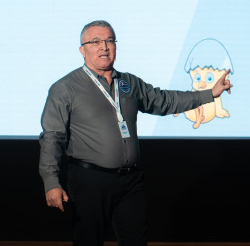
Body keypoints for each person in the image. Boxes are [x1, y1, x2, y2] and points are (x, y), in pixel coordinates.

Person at [39, 20, 232, 246]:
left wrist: (210, 93)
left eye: (110, 40)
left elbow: (165, 100)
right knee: (88, 241)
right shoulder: (65, 88)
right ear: (82, 50)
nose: (104, 46)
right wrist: (51, 181)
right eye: (96, 41)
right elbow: (52, 137)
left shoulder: (128, 83)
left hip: (130, 180)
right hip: (89, 180)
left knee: (136, 242)